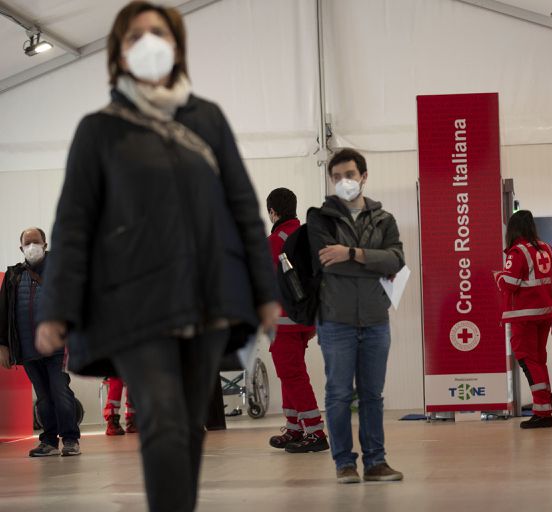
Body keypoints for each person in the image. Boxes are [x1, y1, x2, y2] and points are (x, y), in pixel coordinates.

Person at [34, 3, 280, 511]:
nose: (148, 42)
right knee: (164, 422)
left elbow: (242, 208)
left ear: (177, 46)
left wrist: (264, 293)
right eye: (135, 36)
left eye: (159, 33)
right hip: (133, 302)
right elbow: (73, 222)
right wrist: (57, 307)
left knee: (188, 427)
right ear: (118, 53)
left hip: (207, 299)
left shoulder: (207, 118)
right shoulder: (98, 129)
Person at [307, 148, 405, 484]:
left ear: (363, 175)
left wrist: (351, 253)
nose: (343, 182)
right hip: (336, 320)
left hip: (376, 319)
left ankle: (376, 463)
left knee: (372, 395)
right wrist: (374, 262)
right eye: (336, 177)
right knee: (338, 394)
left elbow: (396, 262)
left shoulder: (384, 219)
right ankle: (344, 463)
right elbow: (326, 263)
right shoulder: (320, 218)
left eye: (349, 175)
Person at [0, 228, 81, 457]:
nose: (32, 246)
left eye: (36, 242)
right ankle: (49, 442)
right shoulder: (14, 276)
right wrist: (3, 345)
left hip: (57, 347)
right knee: (44, 397)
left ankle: (70, 440)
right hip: (27, 349)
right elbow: (4, 313)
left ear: (45, 244)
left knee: (60, 392)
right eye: (28, 243)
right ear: (21, 248)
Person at [266, 188, 329, 453]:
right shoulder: (305, 235)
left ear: (272, 212)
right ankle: (294, 426)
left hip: (283, 320)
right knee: (290, 373)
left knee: (292, 375)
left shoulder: (273, 240)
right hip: (306, 318)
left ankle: (315, 432)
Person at [494, 210, 552, 429]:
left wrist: (498, 276)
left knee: (529, 361)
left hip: (525, 316)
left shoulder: (518, 251)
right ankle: (544, 409)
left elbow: (510, 283)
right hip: (545, 313)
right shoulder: (546, 248)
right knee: (539, 361)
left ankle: (542, 412)